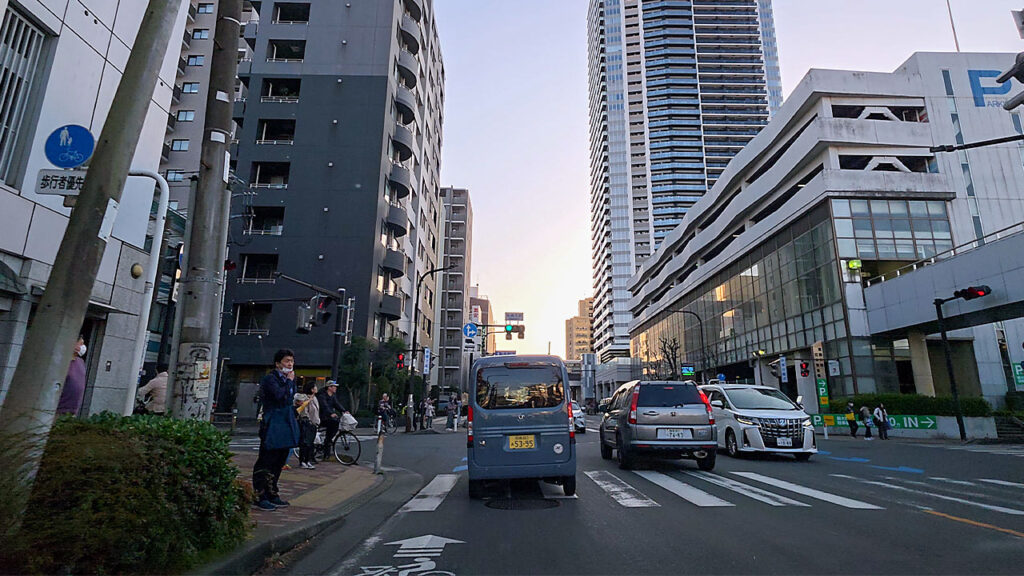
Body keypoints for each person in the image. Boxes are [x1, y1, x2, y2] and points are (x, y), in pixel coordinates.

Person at [252, 349, 301, 511]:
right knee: (266, 460)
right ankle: (260, 495)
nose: (290, 364)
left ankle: (273, 493)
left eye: (292, 361)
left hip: (285, 422)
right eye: (287, 361)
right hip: (272, 423)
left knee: (279, 460)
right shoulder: (270, 379)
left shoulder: (291, 380)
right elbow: (279, 396)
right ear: (278, 363)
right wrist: (288, 382)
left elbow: (288, 399)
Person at [56, 336, 88, 416]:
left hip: (72, 410)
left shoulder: (80, 362)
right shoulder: (62, 362)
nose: (83, 347)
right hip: (58, 410)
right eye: (81, 343)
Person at [318, 380, 349, 455]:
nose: (335, 388)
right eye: (334, 387)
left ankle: (328, 444)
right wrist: (331, 413)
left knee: (334, 424)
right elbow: (324, 406)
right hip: (322, 416)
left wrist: (344, 411)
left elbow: (337, 404)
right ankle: (327, 441)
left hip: (329, 416)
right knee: (334, 423)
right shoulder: (322, 396)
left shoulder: (333, 396)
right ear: (329, 387)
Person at [295, 381, 320, 469]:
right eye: (315, 387)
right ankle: (303, 461)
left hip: (314, 423)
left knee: (310, 443)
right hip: (307, 423)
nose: (316, 388)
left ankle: (308, 460)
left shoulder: (315, 398)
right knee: (305, 443)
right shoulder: (305, 398)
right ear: (312, 389)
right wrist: (309, 420)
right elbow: (304, 411)